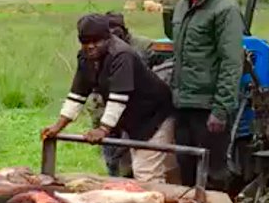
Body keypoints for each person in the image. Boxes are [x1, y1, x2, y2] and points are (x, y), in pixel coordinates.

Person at [41, 14, 176, 184]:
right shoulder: (85, 57)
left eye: (96, 41)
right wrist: (57, 126)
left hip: (155, 115)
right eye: (85, 42)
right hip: (130, 119)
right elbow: (77, 94)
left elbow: (118, 98)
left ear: (108, 38)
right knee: (138, 171)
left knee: (146, 173)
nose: (90, 46)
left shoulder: (122, 55)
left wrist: (103, 129)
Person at [170, 0, 245, 203]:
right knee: (186, 173)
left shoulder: (224, 10)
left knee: (213, 174)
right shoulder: (181, 7)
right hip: (183, 103)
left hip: (209, 108)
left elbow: (231, 62)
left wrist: (221, 108)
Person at [85, 12, 170, 178]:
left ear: (124, 30)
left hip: (141, 110)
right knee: (114, 159)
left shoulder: (142, 46)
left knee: (142, 166)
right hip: (110, 111)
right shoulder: (96, 50)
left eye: (116, 31)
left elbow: (168, 63)